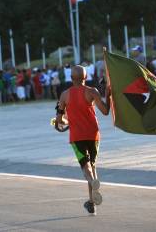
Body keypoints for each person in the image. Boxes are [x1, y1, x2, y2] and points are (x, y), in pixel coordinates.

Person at [56, 65, 111, 215]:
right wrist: (108, 95)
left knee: (85, 165)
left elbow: (60, 120)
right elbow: (105, 111)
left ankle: (93, 183)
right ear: (85, 77)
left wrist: (64, 121)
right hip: (93, 134)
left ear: (71, 78)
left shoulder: (64, 95)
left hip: (77, 137)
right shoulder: (92, 91)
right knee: (92, 164)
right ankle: (92, 203)